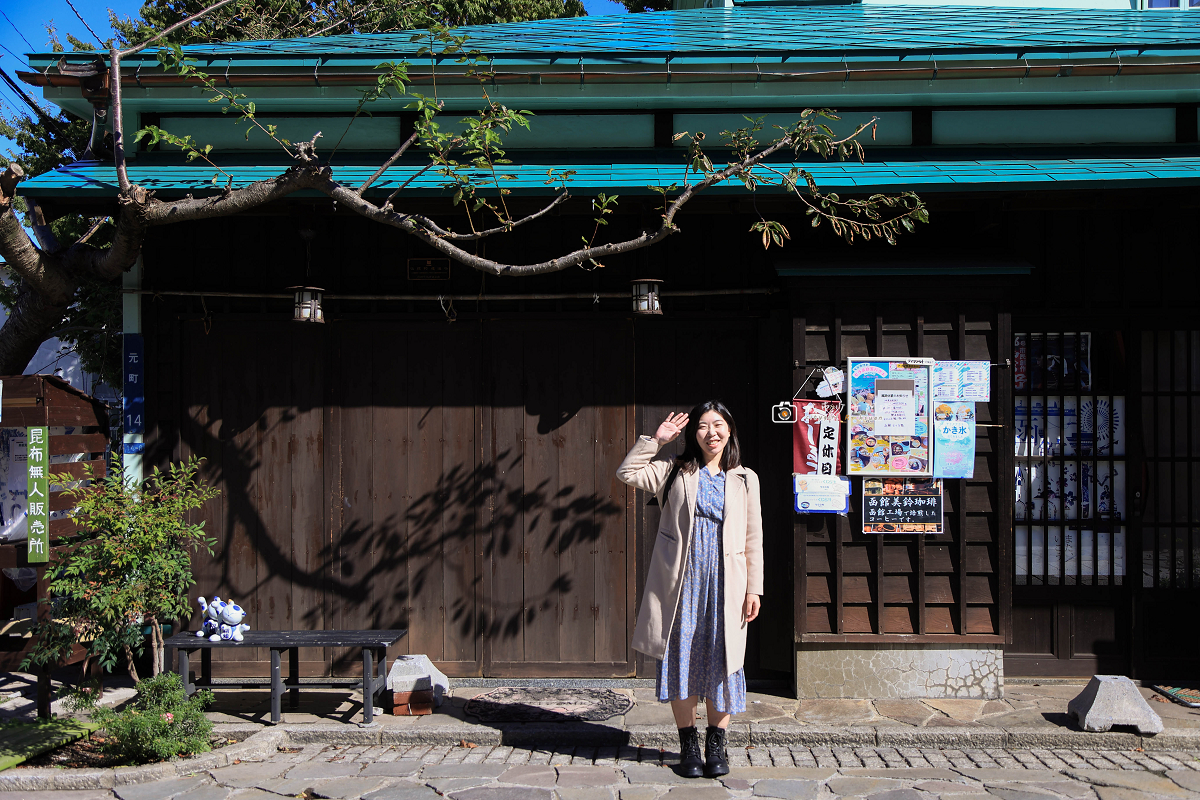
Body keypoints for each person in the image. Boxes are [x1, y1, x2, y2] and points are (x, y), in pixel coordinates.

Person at [616, 400, 764, 779]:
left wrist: (754, 589)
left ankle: (717, 743)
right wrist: (657, 440)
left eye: (718, 425)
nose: (710, 432)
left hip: (727, 586)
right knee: (681, 657)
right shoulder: (675, 470)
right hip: (681, 585)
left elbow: (753, 539)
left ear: (729, 430)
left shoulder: (745, 478)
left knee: (723, 659)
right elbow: (628, 472)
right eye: (702, 426)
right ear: (693, 433)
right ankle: (689, 745)